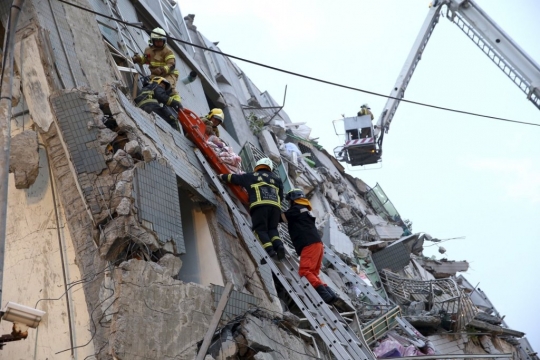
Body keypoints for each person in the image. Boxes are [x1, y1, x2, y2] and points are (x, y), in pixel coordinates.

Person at [219, 158, 285, 260]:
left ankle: (270, 251)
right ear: (270, 168)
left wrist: (222, 176)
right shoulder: (277, 180)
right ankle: (279, 245)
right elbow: (281, 197)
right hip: (275, 208)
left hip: (260, 206)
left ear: (258, 166)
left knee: (260, 229)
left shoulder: (251, 176)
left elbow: (235, 178)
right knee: (272, 229)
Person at [280, 189, 337, 304]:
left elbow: (280, 218)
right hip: (317, 245)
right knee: (313, 273)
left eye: (289, 201)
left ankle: (325, 296)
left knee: (304, 271)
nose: (289, 203)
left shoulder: (296, 209)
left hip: (309, 245)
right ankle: (331, 295)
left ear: (293, 200)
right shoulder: (304, 210)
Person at [132, 27, 181, 102]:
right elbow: (145, 59)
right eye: (156, 41)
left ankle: (178, 105)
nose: (158, 43)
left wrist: (162, 69)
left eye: (160, 41)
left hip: (169, 74)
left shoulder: (168, 51)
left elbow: (171, 65)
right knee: (150, 88)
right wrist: (138, 59)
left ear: (164, 41)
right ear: (152, 41)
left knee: (168, 87)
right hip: (155, 75)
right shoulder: (148, 50)